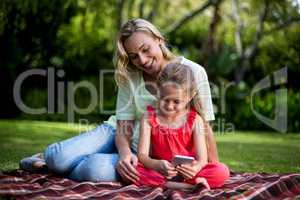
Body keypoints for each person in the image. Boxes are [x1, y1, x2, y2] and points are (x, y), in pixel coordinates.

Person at [20, 18, 219, 183]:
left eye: (145, 49)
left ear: (158, 39)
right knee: (58, 158)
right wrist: (124, 154)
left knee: (95, 171)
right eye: (133, 56)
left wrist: (210, 167)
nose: (141, 60)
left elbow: (204, 126)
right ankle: (44, 159)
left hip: (147, 156)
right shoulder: (130, 75)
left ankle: (53, 169)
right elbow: (123, 125)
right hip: (118, 134)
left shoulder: (193, 71)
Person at [134, 63, 229, 189]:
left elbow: (202, 159)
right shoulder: (148, 118)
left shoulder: (195, 120)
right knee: (134, 170)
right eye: (164, 99)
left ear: (190, 96)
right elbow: (142, 156)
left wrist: (195, 168)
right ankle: (188, 187)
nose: (169, 106)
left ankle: (175, 184)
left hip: (188, 173)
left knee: (221, 171)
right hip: (161, 171)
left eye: (176, 101)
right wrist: (156, 164)